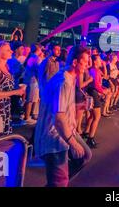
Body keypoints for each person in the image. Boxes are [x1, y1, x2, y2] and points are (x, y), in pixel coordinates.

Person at [35, 45, 92, 187]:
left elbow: (61, 107)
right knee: (60, 181)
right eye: (85, 62)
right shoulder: (64, 82)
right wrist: (72, 143)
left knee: (85, 155)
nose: (87, 66)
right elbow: (58, 118)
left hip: (65, 129)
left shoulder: (70, 78)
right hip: (54, 136)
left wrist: (80, 107)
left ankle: (57, 181)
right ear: (75, 63)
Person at [23, 44, 43, 124]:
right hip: (33, 81)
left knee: (29, 99)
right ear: (38, 50)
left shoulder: (31, 57)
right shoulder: (36, 58)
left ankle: (27, 116)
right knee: (31, 100)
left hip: (28, 80)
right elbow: (39, 70)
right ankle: (27, 117)